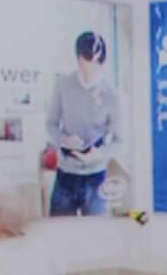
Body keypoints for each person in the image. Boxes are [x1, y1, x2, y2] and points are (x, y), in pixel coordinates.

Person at [46, 31, 120, 217]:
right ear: (78, 58)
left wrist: (99, 154)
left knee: (97, 233)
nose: (92, 70)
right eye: (88, 62)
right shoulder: (62, 84)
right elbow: (51, 124)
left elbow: (120, 141)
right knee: (59, 232)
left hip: (96, 178)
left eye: (97, 64)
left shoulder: (112, 94)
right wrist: (64, 140)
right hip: (65, 176)